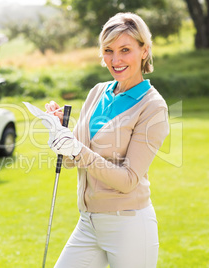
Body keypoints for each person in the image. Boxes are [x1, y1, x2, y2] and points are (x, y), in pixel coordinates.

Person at [45, 12, 170, 268]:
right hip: (88, 223)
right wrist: (60, 133)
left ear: (144, 50)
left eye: (125, 49)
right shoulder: (98, 92)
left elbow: (127, 180)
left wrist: (78, 150)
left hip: (129, 226)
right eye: (108, 50)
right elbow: (71, 162)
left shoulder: (153, 107)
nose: (116, 60)